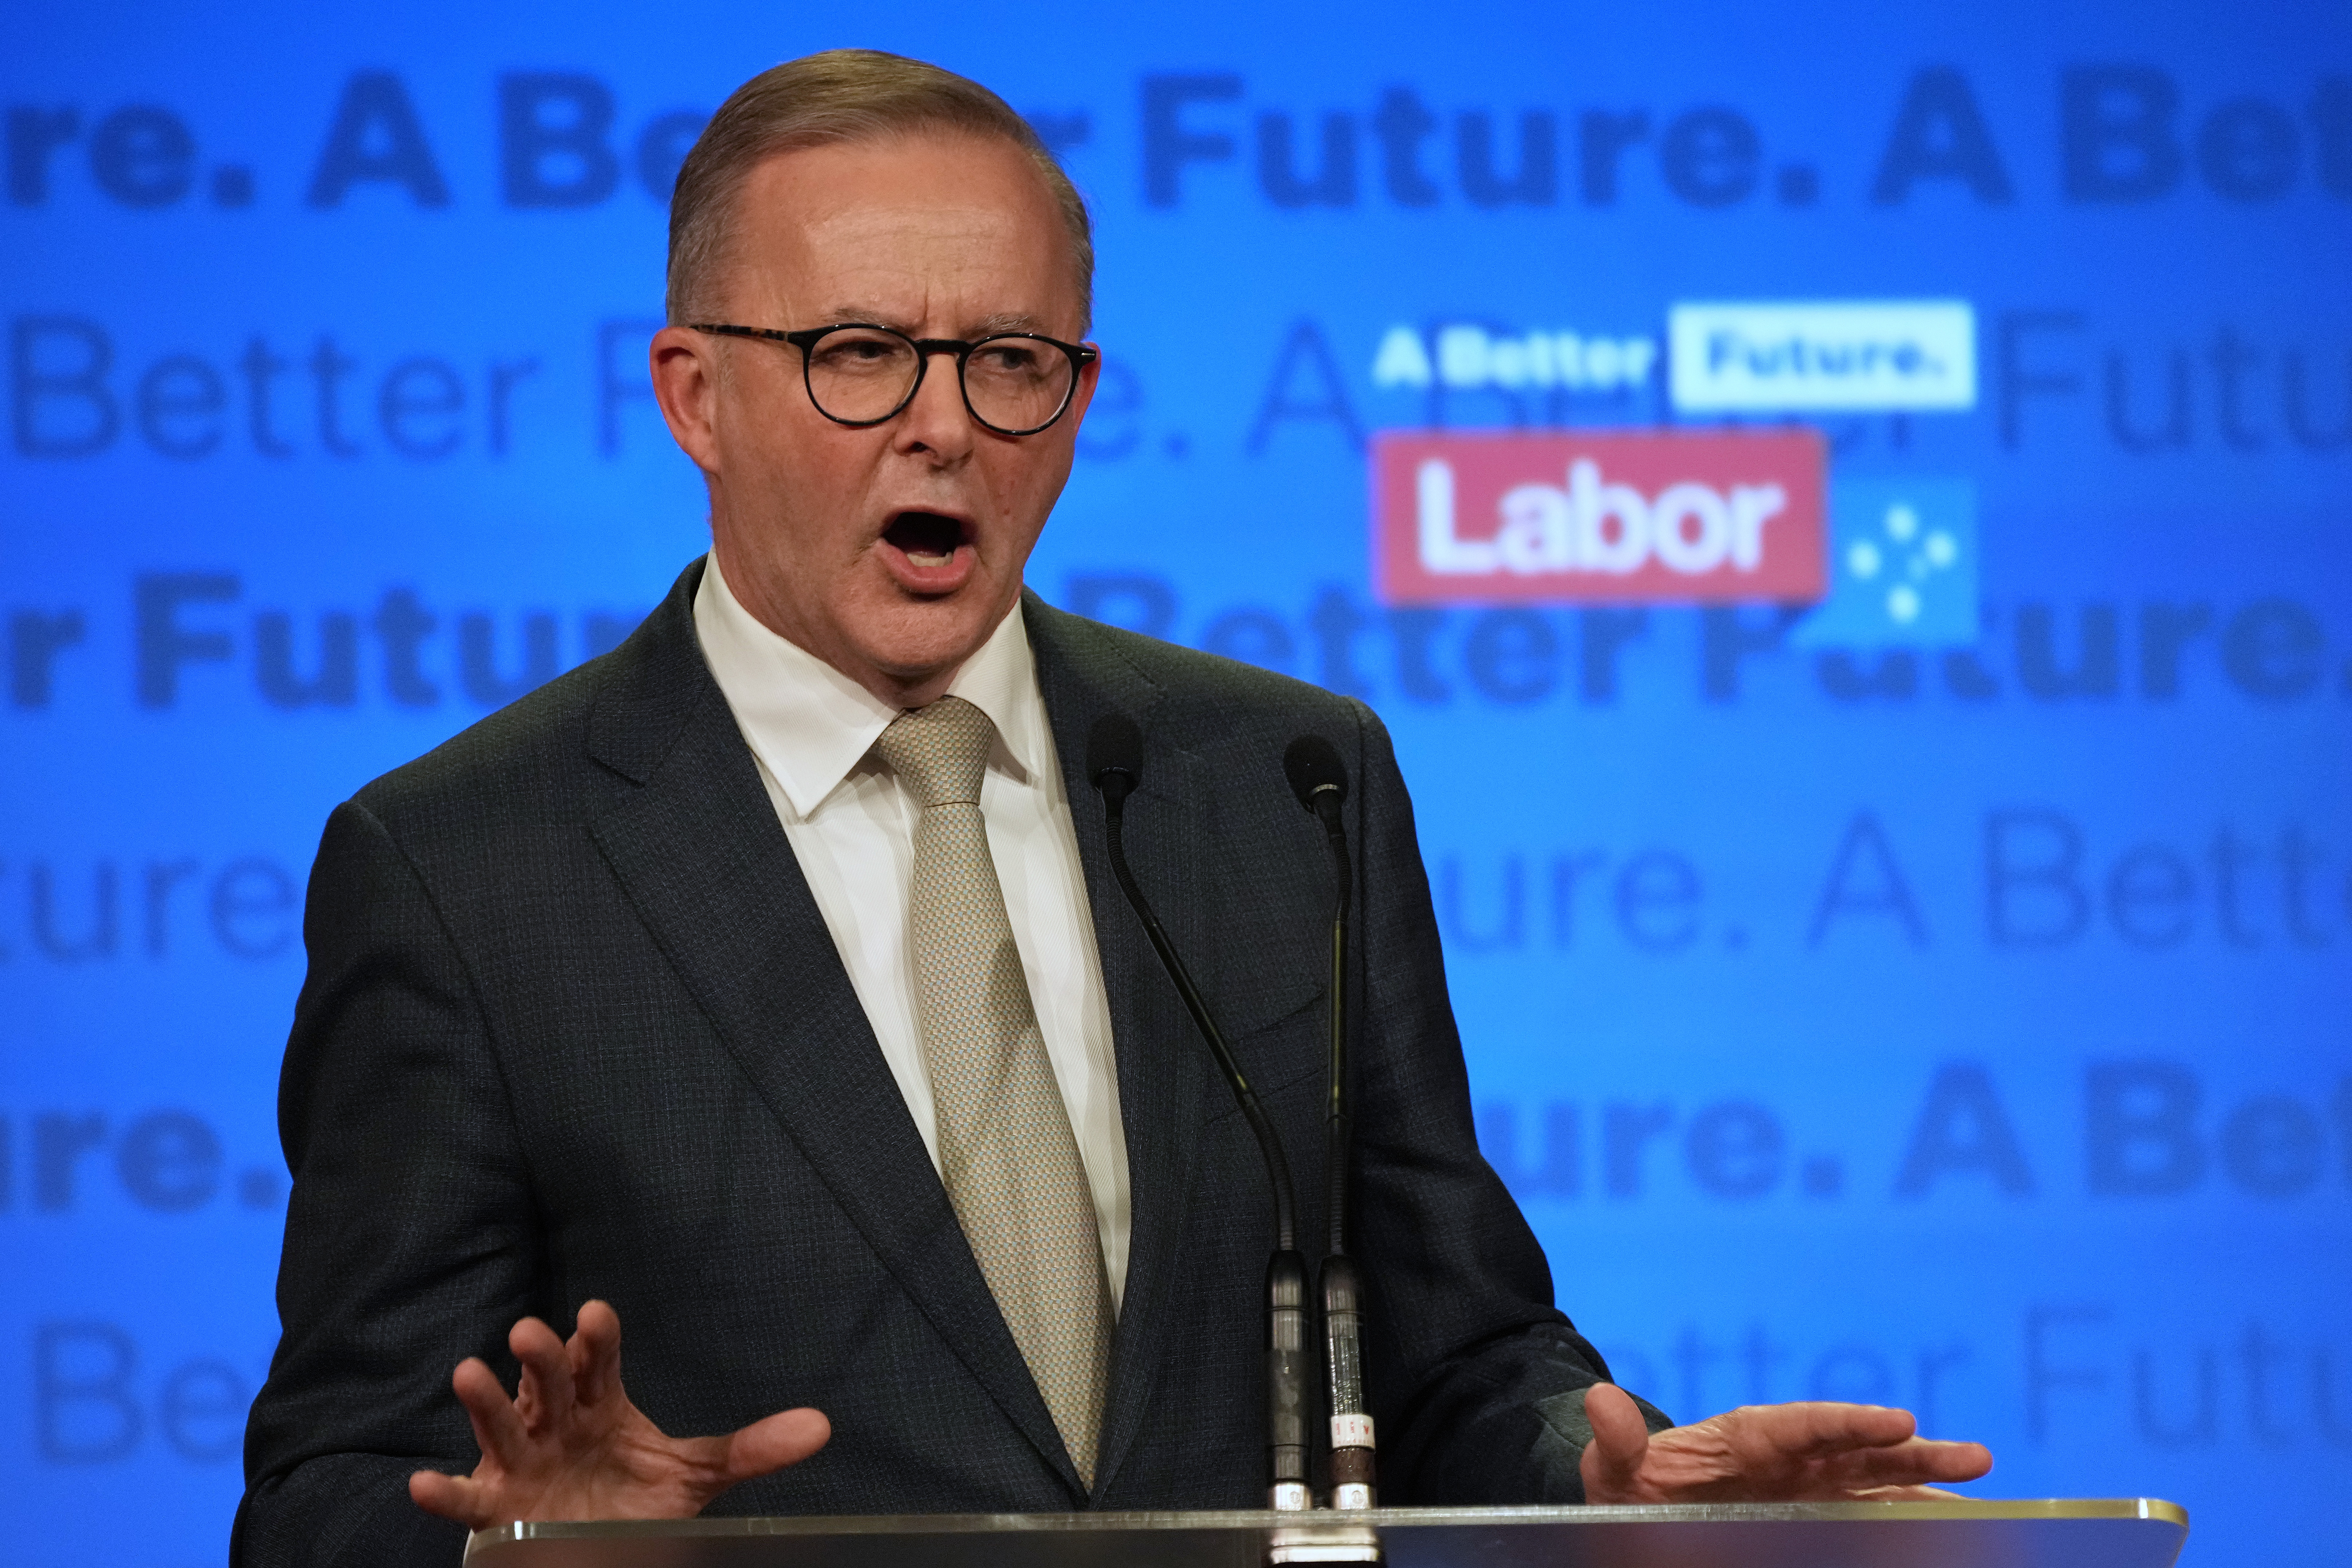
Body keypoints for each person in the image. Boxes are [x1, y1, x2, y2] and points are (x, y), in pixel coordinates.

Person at [232, 49, 1991, 1566]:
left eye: (1011, 360)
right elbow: (323, 1488)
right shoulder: (466, 868)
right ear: (696, 395)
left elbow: (1449, 1354)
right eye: (859, 352)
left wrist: (1611, 1489)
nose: (943, 429)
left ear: (1075, 400)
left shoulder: (1287, 782)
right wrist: (529, 1548)